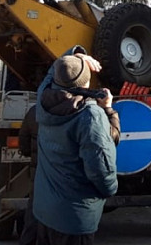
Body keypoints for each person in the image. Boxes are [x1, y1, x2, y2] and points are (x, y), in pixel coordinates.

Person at [32, 46, 120, 245]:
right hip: (74, 219)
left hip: (44, 211)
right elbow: (101, 169)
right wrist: (107, 109)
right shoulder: (90, 116)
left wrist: (74, 55)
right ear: (86, 81)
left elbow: (52, 72)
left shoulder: (43, 97)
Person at [17, 103, 38, 245]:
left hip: (40, 172)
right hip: (68, 177)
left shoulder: (34, 111)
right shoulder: (83, 112)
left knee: (34, 213)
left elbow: (24, 146)